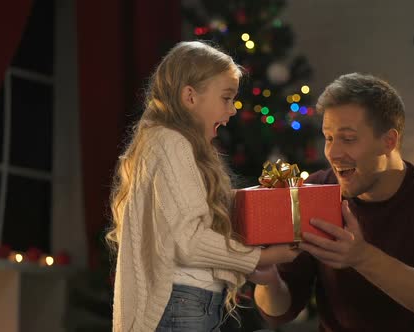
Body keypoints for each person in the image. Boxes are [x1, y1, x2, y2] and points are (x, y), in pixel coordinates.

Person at [251, 73, 414, 331]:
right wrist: (270, 280)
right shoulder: (317, 191)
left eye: (348, 138)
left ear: (389, 141)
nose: (333, 153)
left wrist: (361, 257)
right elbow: (280, 312)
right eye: (329, 138)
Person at [107, 41, 298, 332]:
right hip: (182, 305)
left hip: (187, 303)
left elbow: (185, 227)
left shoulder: (168, 144)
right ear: (190, 96)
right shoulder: (171, 143)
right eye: (226, 98)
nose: (232, 110)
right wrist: (264, 257)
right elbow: (189, 241)